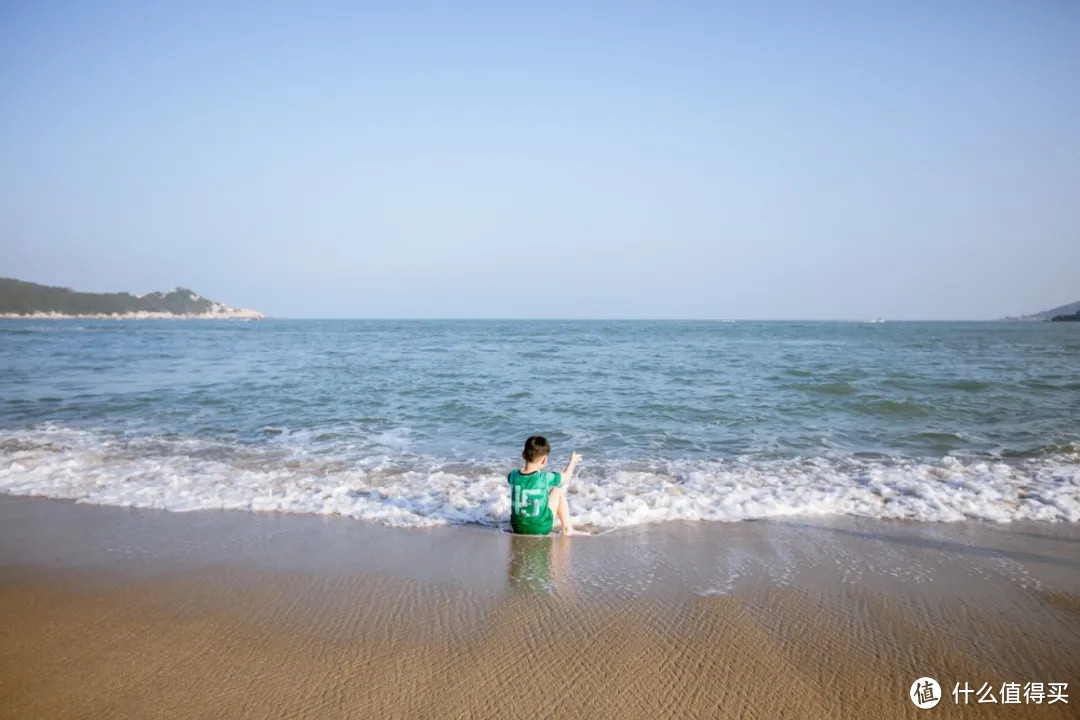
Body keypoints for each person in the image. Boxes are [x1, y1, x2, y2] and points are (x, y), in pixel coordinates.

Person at [508, 435, 581, 536]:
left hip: (517, 528)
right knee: (557, 491)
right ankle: (567, 528)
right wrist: (572, 461)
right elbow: (566, 476)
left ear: (523, 454)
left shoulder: (513, 475)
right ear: (544, 460)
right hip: (541, 528)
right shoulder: (545, 477)